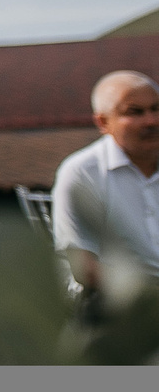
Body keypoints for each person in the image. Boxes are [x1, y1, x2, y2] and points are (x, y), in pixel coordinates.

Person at [50, 71, 159, 299]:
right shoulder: (82, 173)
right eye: (135, 112)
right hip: (116, 304)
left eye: (156, 108)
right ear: (103, 122)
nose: (152, 120)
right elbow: (84, 266)